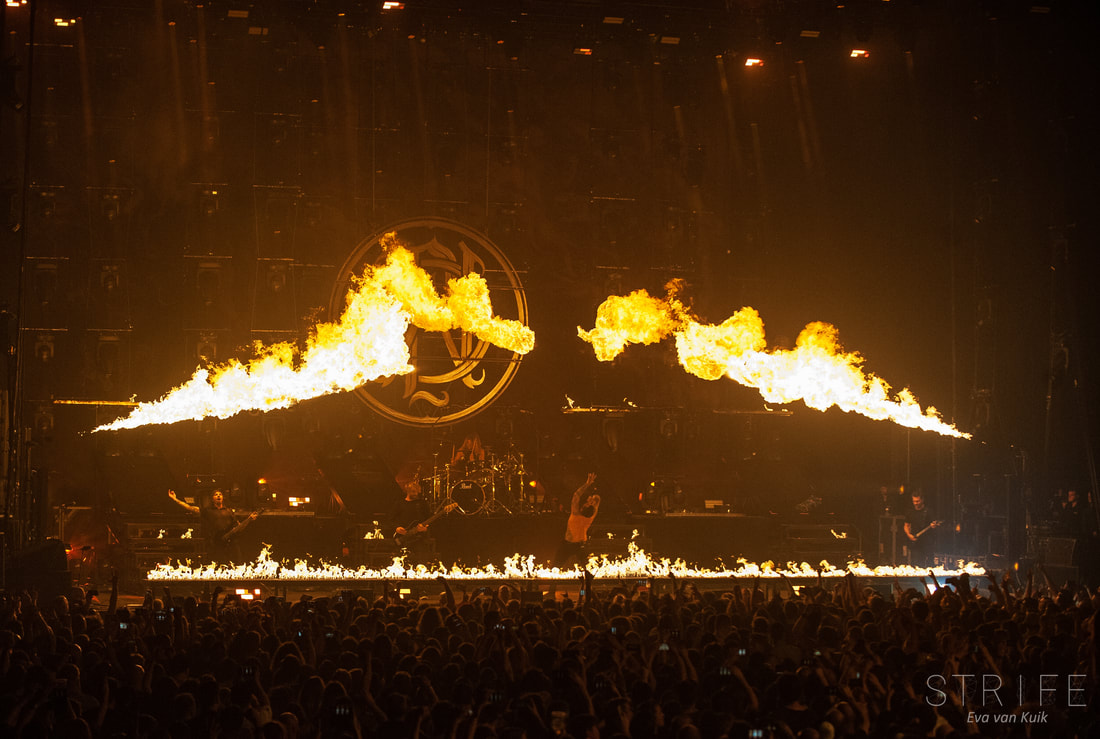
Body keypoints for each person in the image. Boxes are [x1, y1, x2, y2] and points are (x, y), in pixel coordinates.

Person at [168, 488, 242, 564]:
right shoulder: (207, 511)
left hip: (229, 544)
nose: (218, 496)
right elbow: (190, 508)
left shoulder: (229, 511)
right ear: (212, 499)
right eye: (216, 495)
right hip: (215, 543)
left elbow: (236, 525)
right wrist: (175, 499)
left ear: (223, 497)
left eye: (220, 494)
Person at [553, 472, 599, 568]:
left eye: (587, 503)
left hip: (570, 545)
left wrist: (587, 484)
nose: (587, 501)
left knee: (555, 567)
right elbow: (597, 500)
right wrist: (593, 501)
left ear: (583, 508)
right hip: (580, 546)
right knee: (587, 569)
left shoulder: (575, 514)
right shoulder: (591, 517)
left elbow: (576, 495)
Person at [389, 479, 433, 563]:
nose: (416, 494)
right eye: (413, 492)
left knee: (420, 561)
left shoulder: (422, 503)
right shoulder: (399, 503)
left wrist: (425, 528)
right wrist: (397, 528)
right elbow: (390, 520)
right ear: (407, 491)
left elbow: (429, 519)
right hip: (403, 538)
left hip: (419, 538)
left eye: (417, 492)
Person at [903, 491, 940, 567]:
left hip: (927, 542)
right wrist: (909, 535)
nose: (915, 503)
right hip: (916, 542)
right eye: (914, 501)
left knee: (928, 564)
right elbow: (906, 525)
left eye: (917, 501)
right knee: (916, 564)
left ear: (922, 500)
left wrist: (934, 525)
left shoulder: (929, 511)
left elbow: (935, 524)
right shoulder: (910, 512)